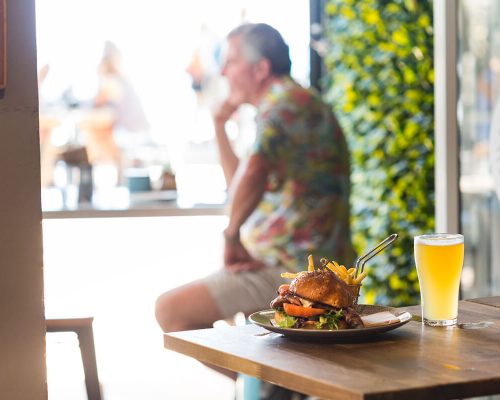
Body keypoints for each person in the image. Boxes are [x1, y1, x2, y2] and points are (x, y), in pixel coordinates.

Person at [155, 21, 355, 377]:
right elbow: (241, 185)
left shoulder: (282, 108)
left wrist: (231, 237)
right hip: (305, 265)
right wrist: (219, 125)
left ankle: (265, 387)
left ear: (260, 69)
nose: (222, 71)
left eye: (230, 61)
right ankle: (270, 387)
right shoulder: (300, 106)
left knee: (171, 310)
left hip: (292, 272)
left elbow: (253, 174)